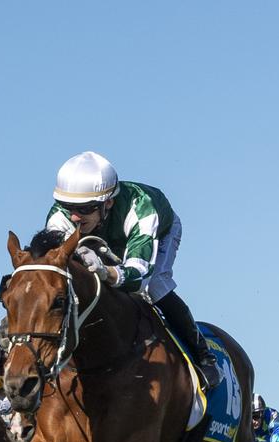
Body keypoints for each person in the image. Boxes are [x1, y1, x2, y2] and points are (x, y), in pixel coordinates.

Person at [45, 151, 220, 389]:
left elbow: (138, 278)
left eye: (85, 209)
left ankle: (204, 355)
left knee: (155, 287)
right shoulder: (59, 217)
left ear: (108, 202)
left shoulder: (142, 209)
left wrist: (105, 272)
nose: (74, 216)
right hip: (105, 235)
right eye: (68, 207)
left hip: (158, 232)